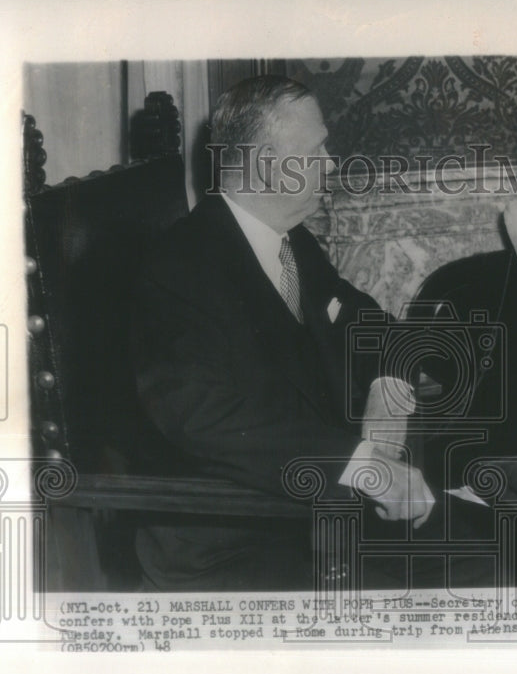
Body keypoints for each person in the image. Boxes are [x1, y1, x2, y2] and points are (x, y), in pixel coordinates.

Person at [131, 75, 432, 590]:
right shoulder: (177, 269)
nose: (332, 163)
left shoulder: (291, 243)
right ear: (269, 164)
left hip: (314, 516)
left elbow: (366, 322)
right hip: (233, 538)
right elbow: (206, 417)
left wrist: (386, 383)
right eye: (317, 150)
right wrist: (365, 467)